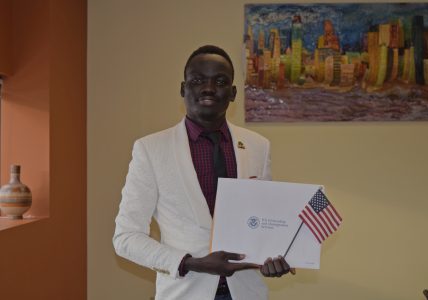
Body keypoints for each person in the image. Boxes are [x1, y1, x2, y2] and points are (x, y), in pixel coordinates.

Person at [113, 45, 294, 300]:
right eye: (198, 80)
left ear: (232, 93)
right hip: (184, 292)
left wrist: (273, 258)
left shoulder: (258, 146)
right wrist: (190, 263)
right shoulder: (150, 149)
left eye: (220, 81)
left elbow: (262, 226)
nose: (208, 88)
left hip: (246, 293)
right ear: (183, 89)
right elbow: (126, 237)